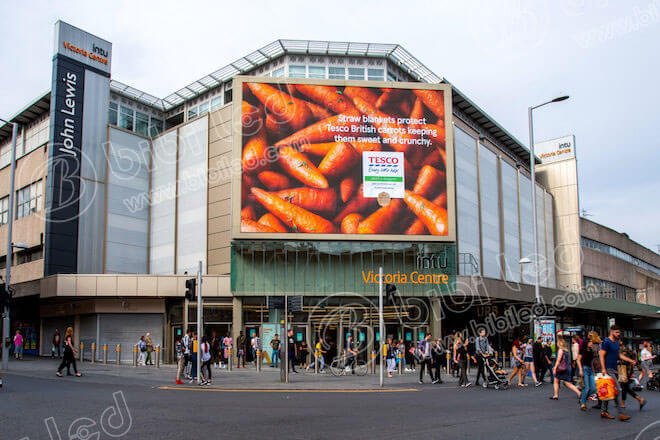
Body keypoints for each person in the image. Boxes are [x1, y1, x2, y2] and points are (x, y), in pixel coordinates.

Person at [599, 325, 634, 421]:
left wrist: (630, 360)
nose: (619, 334)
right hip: (608, 369)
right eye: (617, 332)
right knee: (618, 390)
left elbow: (618, 355)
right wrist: (603, 369)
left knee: (609, 390)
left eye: (619, 332)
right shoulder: (606, 342)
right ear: (611, 332)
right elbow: (601, 355)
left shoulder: (616, 343)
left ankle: (604, 411)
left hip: (615, 369)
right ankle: (621, 414)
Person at [578, 331, 601, 411]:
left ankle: (582, 398)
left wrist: (593, 371)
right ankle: (583, 404)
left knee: (593, 388)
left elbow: (591, 361)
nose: (592, 343)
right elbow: (578, 360)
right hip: (584, 369)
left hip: (590, 370)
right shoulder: (583, 350)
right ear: (587, 343)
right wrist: (580, 369)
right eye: (590, 342)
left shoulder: (591, 351)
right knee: (586, 388)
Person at [619, 342, 646, 411]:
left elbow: (633, 360)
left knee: (624, 386)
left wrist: (640, 368)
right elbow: (635, 360)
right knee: (625, 387)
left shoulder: (622, 350)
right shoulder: (629, 349)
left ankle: (623, 403)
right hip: (626, 370)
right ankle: (640, 399)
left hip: (624, 370)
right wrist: (640, 368)